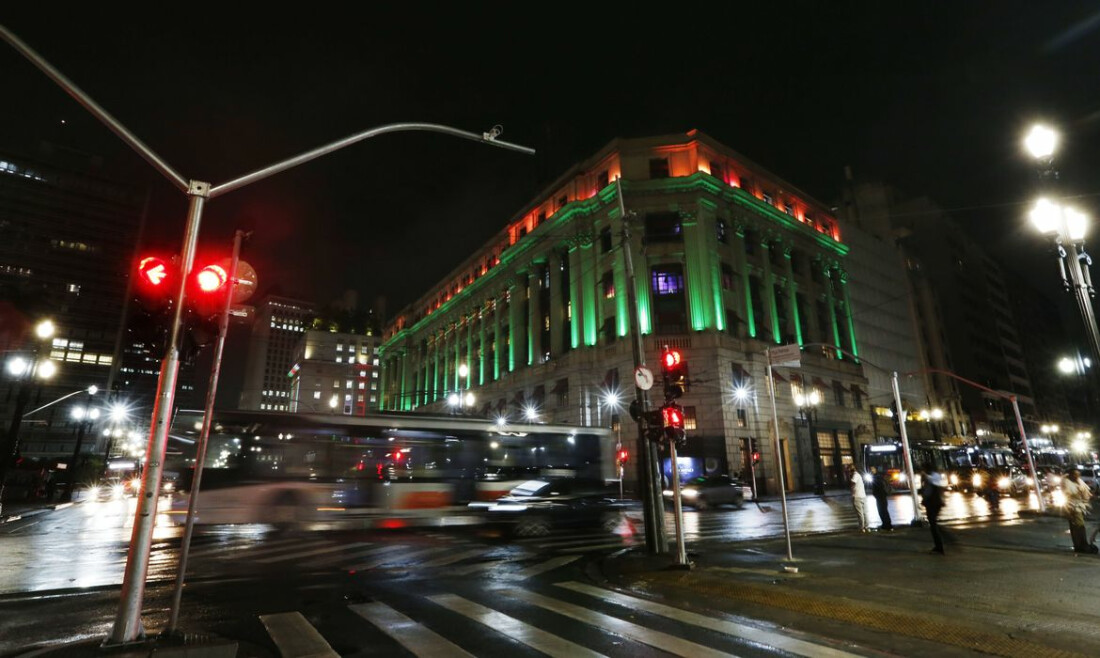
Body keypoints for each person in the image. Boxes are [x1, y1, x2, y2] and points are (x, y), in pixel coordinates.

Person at [1062, 468, 1097, 554]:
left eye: (1078, 475)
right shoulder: (1066, 483)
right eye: (1075, 475)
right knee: (1077, 526)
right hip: (1072, 506)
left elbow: (1086, 492)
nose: (1077, 476)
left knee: (1080, 526)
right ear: (1070, 475)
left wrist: (1090, 496)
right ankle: (1079, 545)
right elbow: (1069, 494)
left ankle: (1082, 544)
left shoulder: (1079, 481)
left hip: (1079, 506)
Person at [920, 466, 946, 554]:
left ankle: (939, 547)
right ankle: (938, 546)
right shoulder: (933, 477)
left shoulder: (934, 477)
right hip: (935, 503)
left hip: (933, 503)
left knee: (933, 524)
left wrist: (925, 477)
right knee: (933, 523)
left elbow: (929, 489)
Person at [846, 464, 868, 532]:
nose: (848, 471)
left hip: (857, 496)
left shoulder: (855, 475)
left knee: (860, 513)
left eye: (848, 470)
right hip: (863, 496)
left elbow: (852, 482)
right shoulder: (858, 475)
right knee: (864, 513)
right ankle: (866, 526)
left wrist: (848, 476)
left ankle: (862, 528)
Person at [870, 466, 893, 531]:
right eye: (870, 469)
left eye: (872, 469)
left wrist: (876, 494)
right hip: (881, 496)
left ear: (876, 469)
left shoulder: (877, 477)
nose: (871, 470)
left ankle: (887, 525)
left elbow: (879, 487)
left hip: (881, 496)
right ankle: (886, 524)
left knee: (882, 511)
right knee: (882, 510)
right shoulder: (877, 476)